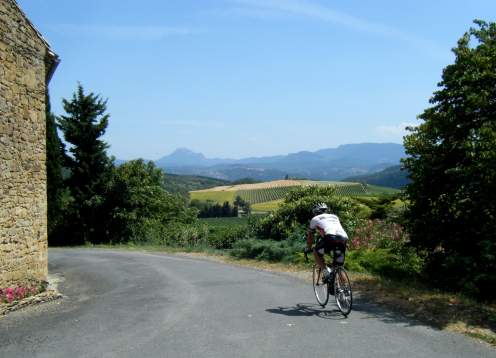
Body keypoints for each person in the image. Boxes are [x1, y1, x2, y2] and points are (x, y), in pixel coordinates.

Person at [306, 203, 348, 283]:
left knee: (315, 251)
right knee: (339, 266)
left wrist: (308, 246)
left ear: (315, 212)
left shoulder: (315, 218)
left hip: (330, 237)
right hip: (343, 238)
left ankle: (326, 272)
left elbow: (310, 236)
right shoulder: (335, 217)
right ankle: (345, 289)